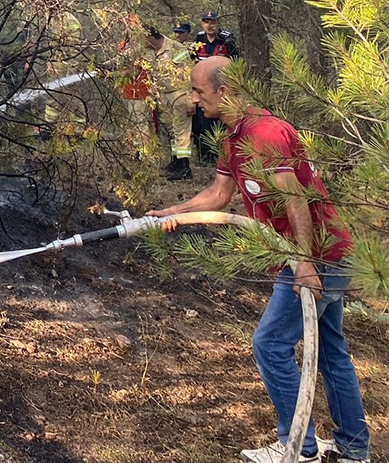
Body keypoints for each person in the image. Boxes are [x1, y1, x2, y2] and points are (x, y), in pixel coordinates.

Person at [148, 57, 370, 463]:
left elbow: (294, 199)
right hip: (317, 255)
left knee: (269, 345)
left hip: (317, 257)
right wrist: (173, 212)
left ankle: (298, 448)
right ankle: (354, 448)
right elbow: (218, 195)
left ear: (226, 92)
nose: (194, 100)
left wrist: (304, 266)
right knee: (331, 350)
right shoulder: (235, 136)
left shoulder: (264, 133)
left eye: (199, 92)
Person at [192, 11, 238, 165]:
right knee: (202, 121)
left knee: (221, 120)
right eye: (206, 22)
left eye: (212, 22)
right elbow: (191, 61)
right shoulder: (199, 39)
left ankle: (223, 154)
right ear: (202, 24)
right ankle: (206, 155)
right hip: (203, 86)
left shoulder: (226, 39)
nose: (209, 26)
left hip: (221, 86)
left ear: (218, 24)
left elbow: (236, 61)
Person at [151, 25, 195, 180]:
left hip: (179, 94)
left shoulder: (176, 48)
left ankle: (185, 168)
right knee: (172, 131)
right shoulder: (150, 51)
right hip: (164, 96)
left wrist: (191, 100)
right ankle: (176, 162)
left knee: (181, 132)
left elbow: (190, 74)